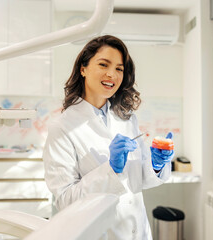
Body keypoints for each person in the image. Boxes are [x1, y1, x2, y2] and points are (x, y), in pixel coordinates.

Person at [43, 35, 174, 239]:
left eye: (119, 69)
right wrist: (110, 169)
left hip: (137, 230)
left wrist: (156, 165)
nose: (112, 74)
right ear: (83, 68)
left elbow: (138, 181)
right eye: (103, 64)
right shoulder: (61, 127)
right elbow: (65, 200)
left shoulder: (126, 118)